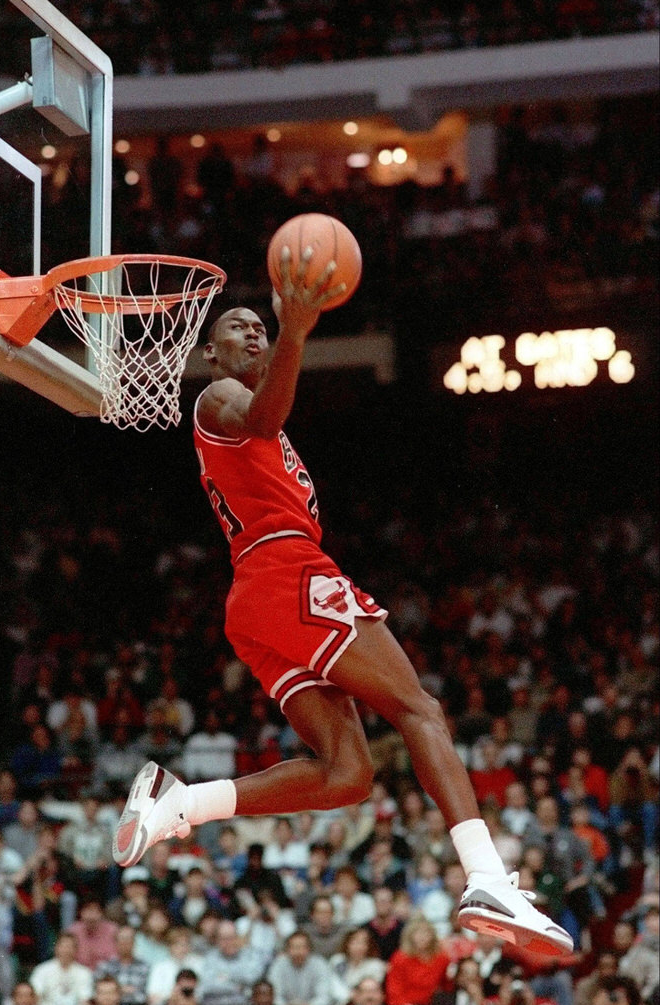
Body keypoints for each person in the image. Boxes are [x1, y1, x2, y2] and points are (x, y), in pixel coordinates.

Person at [112, 252, 573, 958]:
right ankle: (486, 877)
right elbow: (264, 418)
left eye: (260, 327)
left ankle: (181, 803)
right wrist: (296, 330)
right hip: (285, 572)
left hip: (260, 599)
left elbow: (271, 421)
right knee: (419, 709)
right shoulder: (218, 401)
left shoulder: (257, 419)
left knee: (348, 776)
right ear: (209, 354)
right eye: (237, 329)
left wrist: (289, 335)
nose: (253, 334)